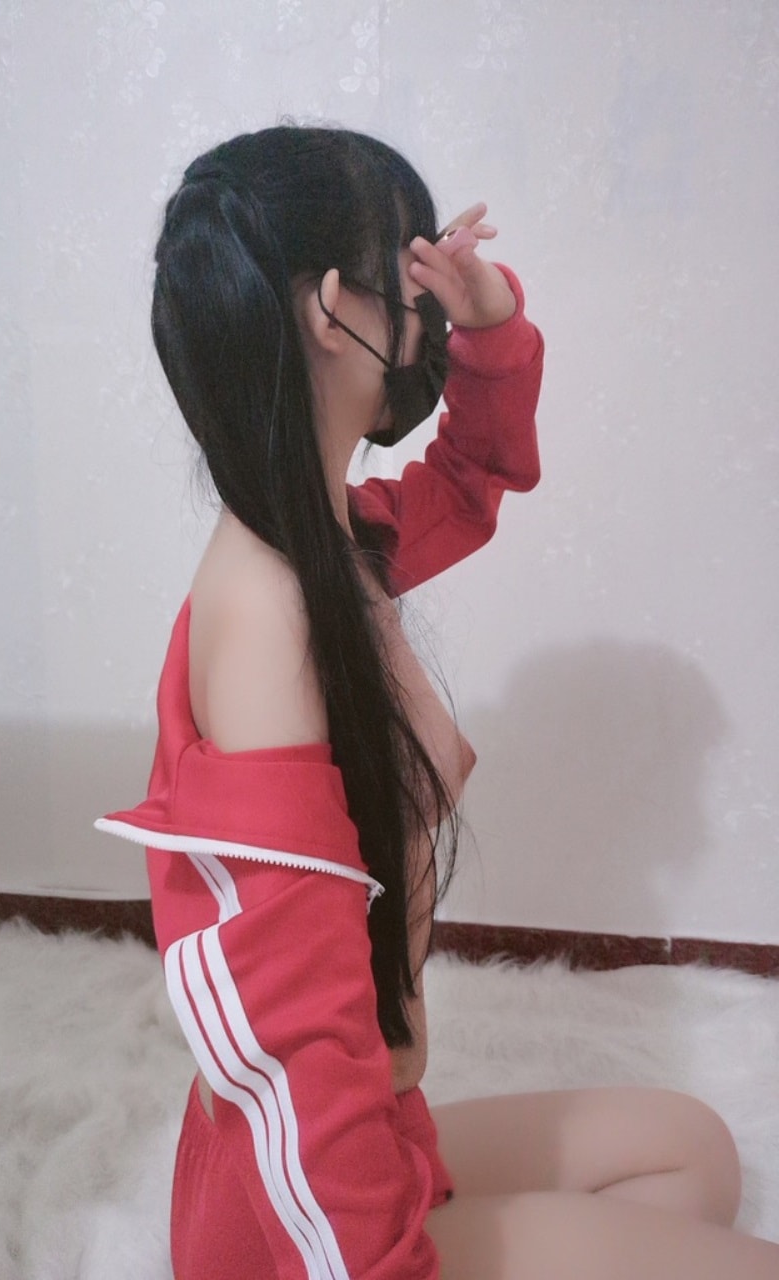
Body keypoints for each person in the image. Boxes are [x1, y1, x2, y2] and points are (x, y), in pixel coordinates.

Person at [96, 125, 779, 1278]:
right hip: (306, 1219)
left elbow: (473, 475)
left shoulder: (336, 543)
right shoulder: (265, 616)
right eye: (404, 279)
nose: (419, 320)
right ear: (332, 308)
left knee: (695, 1158)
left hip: (381, 1121)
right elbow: (292, 1030)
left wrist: (488, 325)